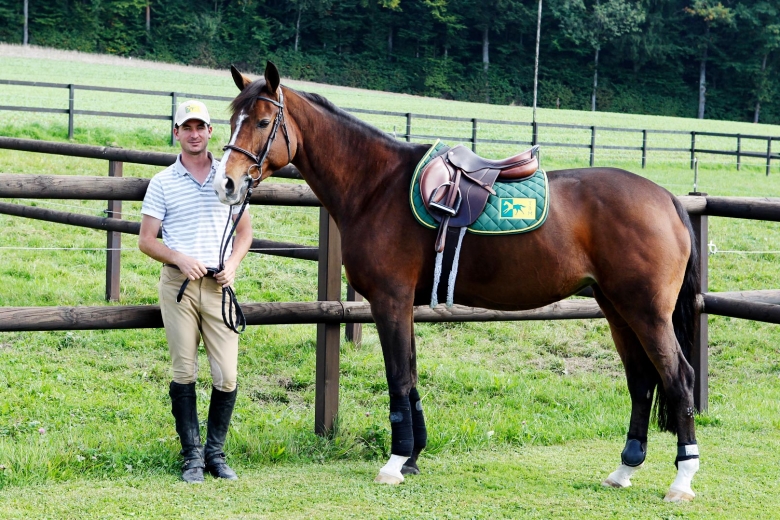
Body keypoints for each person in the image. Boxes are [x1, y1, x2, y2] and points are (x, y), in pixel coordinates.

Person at [138, 100, 252, 483]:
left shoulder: (228, 176)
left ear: (210, 131)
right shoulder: (162, 183)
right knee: (183, 370)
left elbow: (244, 233)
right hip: (179, 287)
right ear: (177, 133)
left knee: (227, 375)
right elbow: (146, 240)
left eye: (200, 127)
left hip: (219, 287)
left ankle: (215, 454)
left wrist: (233, 266)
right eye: (186, 127)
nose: (194, 133)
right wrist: (179, 258)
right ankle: (191, 457)